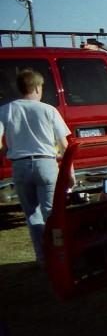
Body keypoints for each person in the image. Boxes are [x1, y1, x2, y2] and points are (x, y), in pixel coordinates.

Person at [0, 69, 70, 266]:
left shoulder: (6, 109)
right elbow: (64, 145)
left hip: (20, 166)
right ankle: (61, 256)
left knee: (32, 214)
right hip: (46, 164)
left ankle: (42, 258)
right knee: (52, 213)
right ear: (38, 88)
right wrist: (69, 172)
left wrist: (6, 149)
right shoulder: (49, 110)